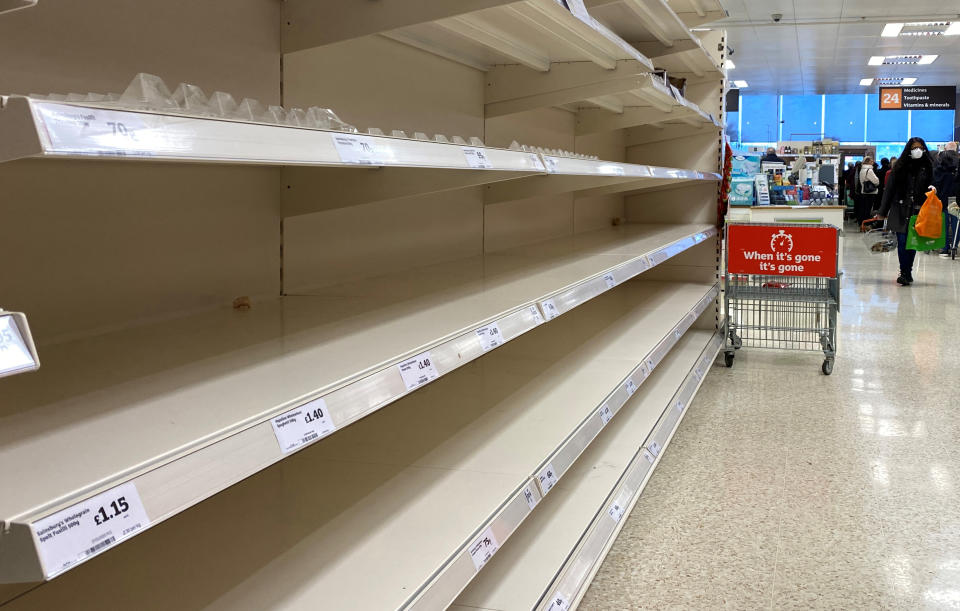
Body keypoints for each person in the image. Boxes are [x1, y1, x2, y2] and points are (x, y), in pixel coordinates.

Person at [878, 138, 935, 285]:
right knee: (903, 241)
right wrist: (883, 211)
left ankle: (908, 270)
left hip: (918, 210)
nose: (918, 150)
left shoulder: (928, 166)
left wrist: (934, 189)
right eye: (915, 147)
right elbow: (889, 190)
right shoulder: (899, 167)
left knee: (912, 243)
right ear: (909, 149)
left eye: (921, 147)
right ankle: (904, 272)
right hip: (900, 209)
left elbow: (934, 184)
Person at [932, 141, 959, 257]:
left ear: (946, 149)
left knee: (943, 223)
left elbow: (936, 179)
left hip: (942, 196)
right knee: (955, 223)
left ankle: (944, 248)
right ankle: (954, 246)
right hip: (955, 197)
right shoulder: (958, 161)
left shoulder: (940, 160)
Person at [857, 156, 880, 227]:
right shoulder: (869, 170)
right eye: (872, 161)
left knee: (863, 209)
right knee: (868, 210)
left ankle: (861, 223)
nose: (873, 162)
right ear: (868, 162)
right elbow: (876, 181)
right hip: (870, 192)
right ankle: (866, 224)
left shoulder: (862, 170)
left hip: (864, 191)